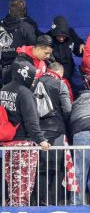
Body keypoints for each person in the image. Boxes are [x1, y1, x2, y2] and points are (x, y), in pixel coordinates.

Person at [1, 61, 50, 206]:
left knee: (11, 185)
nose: (34, 80)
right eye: (34, 77)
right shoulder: (25, 93)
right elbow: (31, 121)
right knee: (23, 186)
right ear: (26, 74)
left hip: (6, 145)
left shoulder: (3, 90)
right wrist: (41, 140)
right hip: (23, 146)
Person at [33, 62, 72, 205]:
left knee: (40, 169)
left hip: (37, 132)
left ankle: (38, 202)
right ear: (59, 72)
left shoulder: (35, 82)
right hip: (56, 131)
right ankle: (52, 201)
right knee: (57, 168)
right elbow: (67, 109)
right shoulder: (60, 84)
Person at [0, 0, 37, 83]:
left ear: (9, 10)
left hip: (3, 69)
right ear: (24, 12)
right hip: (20, 70)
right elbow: (34, 48)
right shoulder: (26, 27)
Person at [46, 16, 85, 82]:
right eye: (58, 36)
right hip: (54, 68)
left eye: (63, 36)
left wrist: (81, 45)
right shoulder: (48, 38)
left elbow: (78, 46)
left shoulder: (71, 33)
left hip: (68, 67)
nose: (61, 39)